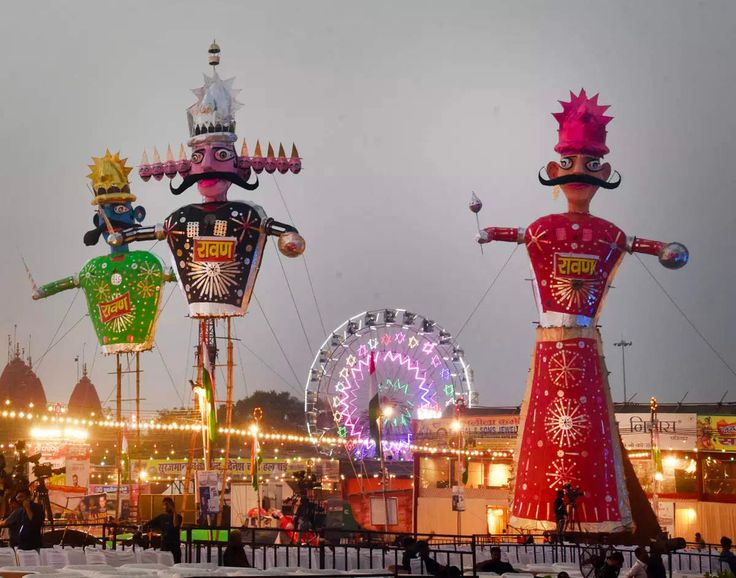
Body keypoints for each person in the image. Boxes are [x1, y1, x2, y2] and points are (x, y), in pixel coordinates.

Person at [146, 497, 183, 563]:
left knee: (176, 564)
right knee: (164, 565)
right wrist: (157, 531)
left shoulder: (178, 517)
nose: (165, 507)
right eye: (164, 505)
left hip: (175, 546)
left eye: (167, 504)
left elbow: (176, 524)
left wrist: (173, 510)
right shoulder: (161, 517)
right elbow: (149, 524)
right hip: (164, 545)